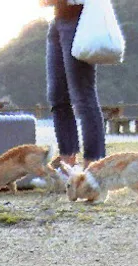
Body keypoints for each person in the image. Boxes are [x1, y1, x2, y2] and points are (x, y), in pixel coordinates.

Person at [44, 0, 105, 167]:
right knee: (58, 97)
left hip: (79, 19)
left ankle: (94, 166)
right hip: (58, 19)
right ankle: (67, 165)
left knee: (83, 96)